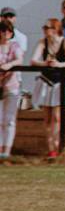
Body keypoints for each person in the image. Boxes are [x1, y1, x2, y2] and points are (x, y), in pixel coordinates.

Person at [30, 18, 65, 159]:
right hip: (46, 80)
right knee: (47, 117)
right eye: (44, 27)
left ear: (55, 29)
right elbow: (33, 60)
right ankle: (51, 149)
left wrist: (59, 65)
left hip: (59, 81)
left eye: (48, 27)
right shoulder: (42, 42)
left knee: (57, 117)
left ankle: (58, 145)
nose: (45, 30)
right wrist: (45, 63)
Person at [0, 19, 24, 159]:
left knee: (9, 119)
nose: (6, 33)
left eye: (9, 30)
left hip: (11, 85)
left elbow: (19, 59)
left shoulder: (14, 46)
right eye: (3, 30)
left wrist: (9, 66)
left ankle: (7, 150)